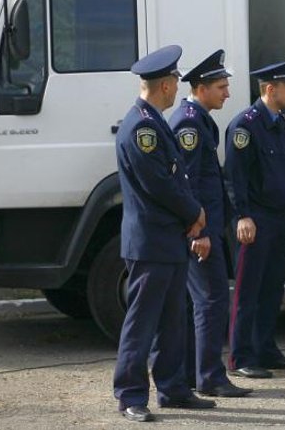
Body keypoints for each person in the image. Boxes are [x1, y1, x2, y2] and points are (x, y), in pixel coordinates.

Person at [113, 45, 215, 422]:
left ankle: (172, 388)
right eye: (174, 80)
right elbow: (158, 184)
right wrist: (195, 212)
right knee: (142, 323)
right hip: (150, 242)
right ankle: (130, 395)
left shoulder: (152, 121)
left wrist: (190, 216)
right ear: (167, 85)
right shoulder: (142, 127)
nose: (176, 87)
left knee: (173, 320)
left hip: (167, 239)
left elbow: (177, 177)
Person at [168, 50, 252, 398]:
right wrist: (199, 231)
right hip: (199, 232)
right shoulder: (189, 122)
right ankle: (210, 377)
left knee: (197, 303)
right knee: (212, 301)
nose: (227, 94)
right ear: (201, 88)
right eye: (221, 87)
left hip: (205, 227)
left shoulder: (198, 118)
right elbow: (186, 182)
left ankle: (192, 373)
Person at [223, 58, 285, 379]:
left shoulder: (279, 121)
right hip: (255, 219)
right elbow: (235, 176)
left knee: (272, 288)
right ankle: (241, 356)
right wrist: (243, 215)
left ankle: (267, 349)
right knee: (248, 290)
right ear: (271, 89)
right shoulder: (246, 125)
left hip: (278, 217)